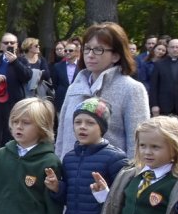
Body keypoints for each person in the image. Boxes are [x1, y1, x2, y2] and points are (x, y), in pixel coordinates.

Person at [56, 23, 150, 160]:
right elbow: (62, 137)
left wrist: (130, 178)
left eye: (99, 50)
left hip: (111, 177)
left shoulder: (132, 89)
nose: (90, 55)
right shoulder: (74, 88)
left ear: (116, 56)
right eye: (87, 49)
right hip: (70, 175)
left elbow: (138, 143)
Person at [0, 32, 32, 148]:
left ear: (17, 45)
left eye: (12, 43)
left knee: (13, 132)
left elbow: (27, 77)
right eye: (6, 43)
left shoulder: (22, 61)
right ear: (1, 46)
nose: (9, 45)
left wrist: (15, 62)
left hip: (15, 103)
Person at [149, 38, 178, 133]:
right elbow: (154, 86)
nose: (175, 49)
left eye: (177, 47)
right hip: (164, 106)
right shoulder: (159, 64)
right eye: (172, 47)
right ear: (168, 49)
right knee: (164, 132)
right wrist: (154, 105)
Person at [52, 38, 81, 117]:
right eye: (66, 50)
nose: (67, 52)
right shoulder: (57, 66)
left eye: (70, 50)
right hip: (61, 100)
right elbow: (55, 84)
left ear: (76, 52)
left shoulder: (82, 66)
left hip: (78, 101)